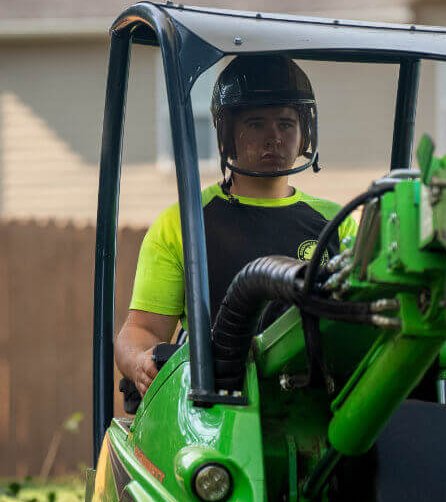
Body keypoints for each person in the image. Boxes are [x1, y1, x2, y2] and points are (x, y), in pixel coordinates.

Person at [115, 54, 358, 400]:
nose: (273, 137)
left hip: (318, 404)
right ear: (227, 135)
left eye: (285, 124)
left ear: (306, 133)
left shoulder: (338, 225)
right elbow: (141, 329)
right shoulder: (184, 223)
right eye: (256, 124)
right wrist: (141, 361)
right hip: (218, 411)